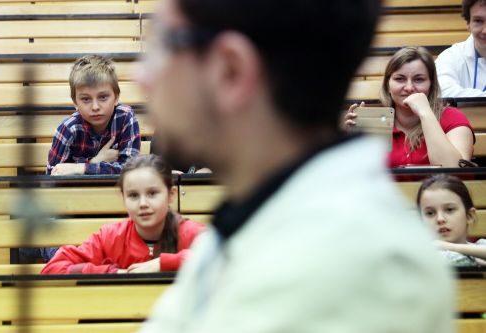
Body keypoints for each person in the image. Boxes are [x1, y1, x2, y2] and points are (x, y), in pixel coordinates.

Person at [135, 0, 455, 332]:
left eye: (164, 41)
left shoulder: (360, 266)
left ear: (230, 71)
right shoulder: (257, 216)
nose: (142, 76)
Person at [41, 155, 205, 274]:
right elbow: (52, 269)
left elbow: (227, 257)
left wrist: (166, 263)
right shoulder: (110, 237)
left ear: (171, 195)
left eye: (152, 193)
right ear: (123, 198)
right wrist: (113, 273)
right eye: (133, 195)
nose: (143, 203)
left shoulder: (191, 233)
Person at [345, 46, 475, 167]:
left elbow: (456, 171)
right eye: (400, 79)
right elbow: (360, 175)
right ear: (387, 86)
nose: (409, 88)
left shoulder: (452, 117)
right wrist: (350, 142)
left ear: (431, 85)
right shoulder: (376, 121)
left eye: (419, 79)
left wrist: (425, 113)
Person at [46, 54, 141, 175]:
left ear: (116, 97)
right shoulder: (68, 129)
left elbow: (131, 170)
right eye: (86, 99)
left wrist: (82, 168)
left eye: (103, 97)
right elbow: (52, 176)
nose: (95, 107)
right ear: (75, 102)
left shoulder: (125, 117)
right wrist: (95, 161)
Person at [417, 174, 486, 266]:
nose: (440, 219)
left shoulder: (480, 245)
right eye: (430, 213)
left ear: (469, 216)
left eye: (449, 210)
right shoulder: (423, 255)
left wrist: (448, 246)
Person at [435, 0, 486, 97]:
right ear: (468, 23)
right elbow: (443, 92)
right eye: (478, 21)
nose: (485, 30)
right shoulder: (450, 56)